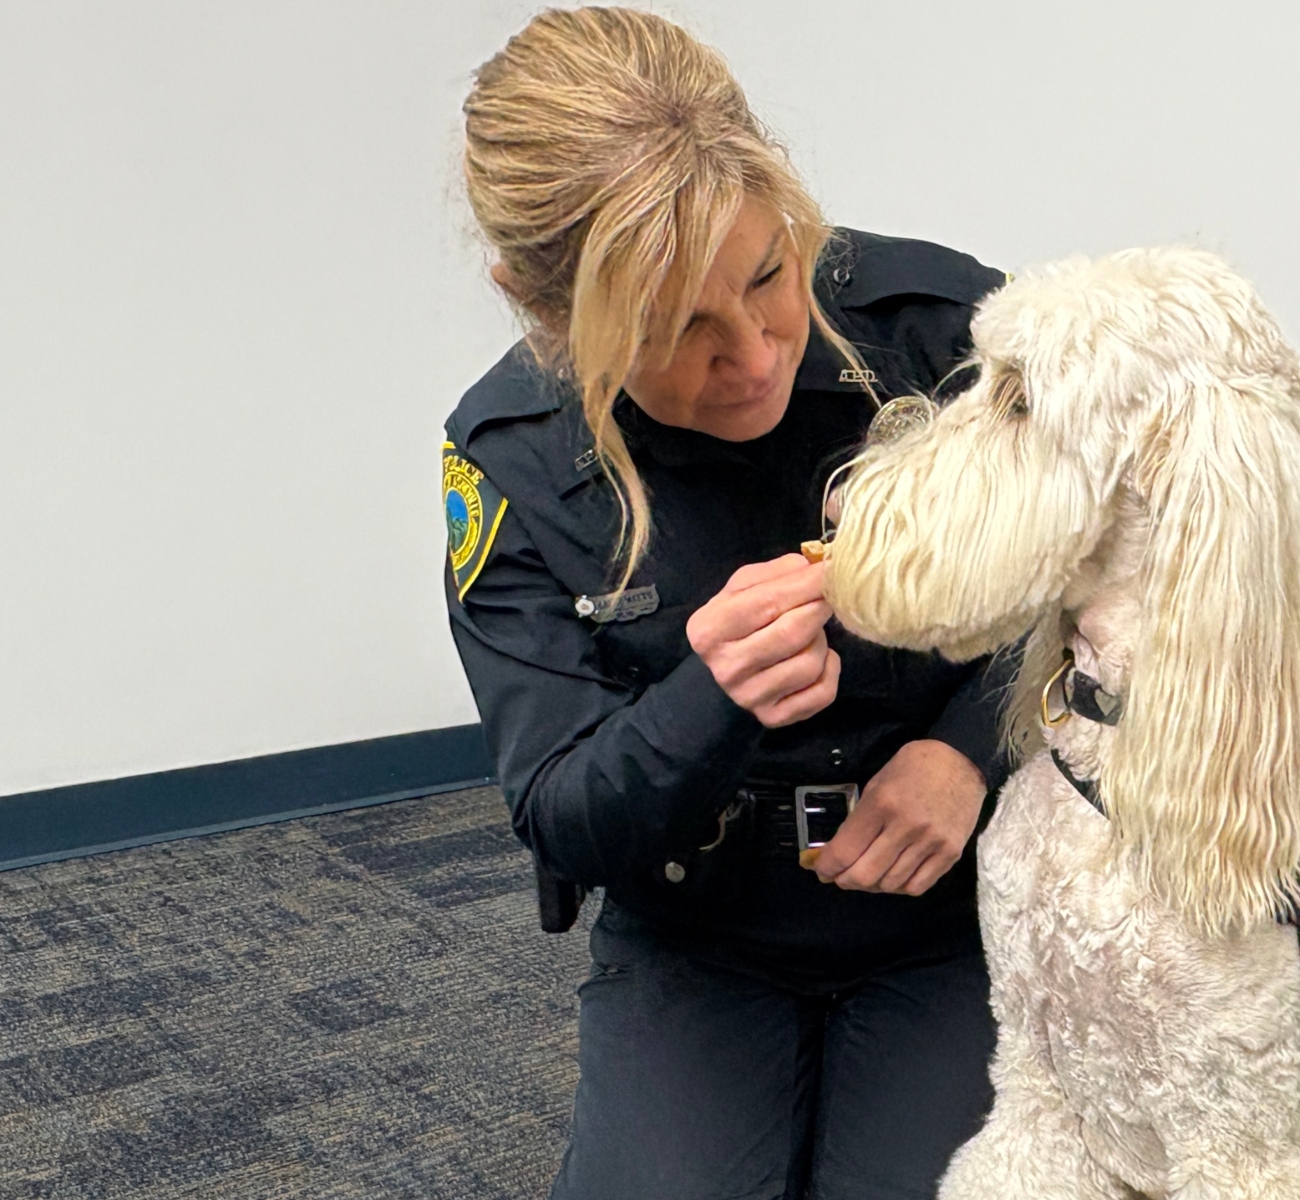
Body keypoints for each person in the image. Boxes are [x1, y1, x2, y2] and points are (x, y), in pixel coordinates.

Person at [444, 9, 1013, 1199]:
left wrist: (966, 755)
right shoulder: (513, 458)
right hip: (698, 938)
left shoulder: (939, 332)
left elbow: (1108, 599)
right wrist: (706, 704)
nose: (753, 355)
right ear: (540, 309)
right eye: (669, 329)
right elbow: (560, 812)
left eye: (768, 274)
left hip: (953, 917)